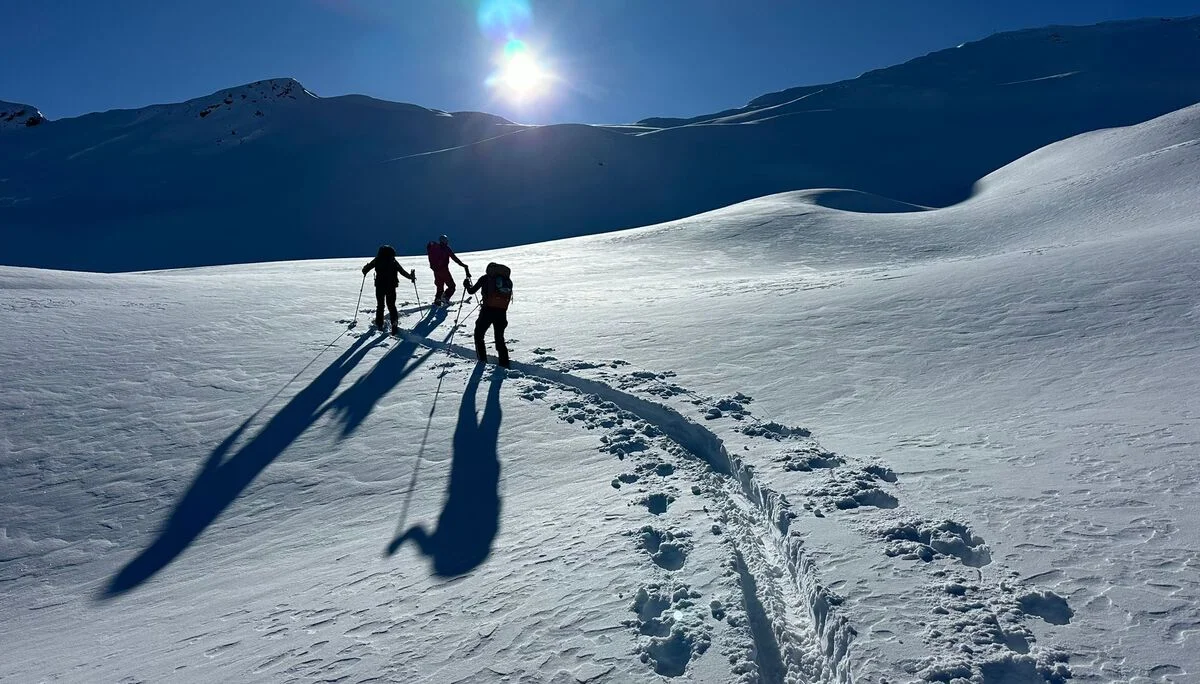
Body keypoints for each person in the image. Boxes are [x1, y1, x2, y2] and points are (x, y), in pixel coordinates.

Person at [464, 263, 513, 368]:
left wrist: (466, 285)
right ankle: (504, 364)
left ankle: (482, 360)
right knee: (499, 338)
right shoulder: (506, 280)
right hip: (502, 313)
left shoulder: (485, 278)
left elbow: (472, 291)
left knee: (478, 334)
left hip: (487, 312)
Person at [362, 244, 415, 333]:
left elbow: (366, 269)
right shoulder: (393, 260)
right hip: (391, 286)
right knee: (391, 305)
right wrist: (411, 277)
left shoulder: (377, 259)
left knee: (380, 305)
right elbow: (402, 272)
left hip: (380, 286)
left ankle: (379, 324)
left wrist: (365, 270)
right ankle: (394, 323)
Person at [426, 235, 471, 307]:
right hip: (444, 270)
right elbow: (454, 258)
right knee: (452, 286)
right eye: (446, 240)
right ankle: (445, 298)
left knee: (439, 286)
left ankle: (437, 300)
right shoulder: (446, 249)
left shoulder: (435, 248)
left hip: (436, 271)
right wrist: (463, 265)